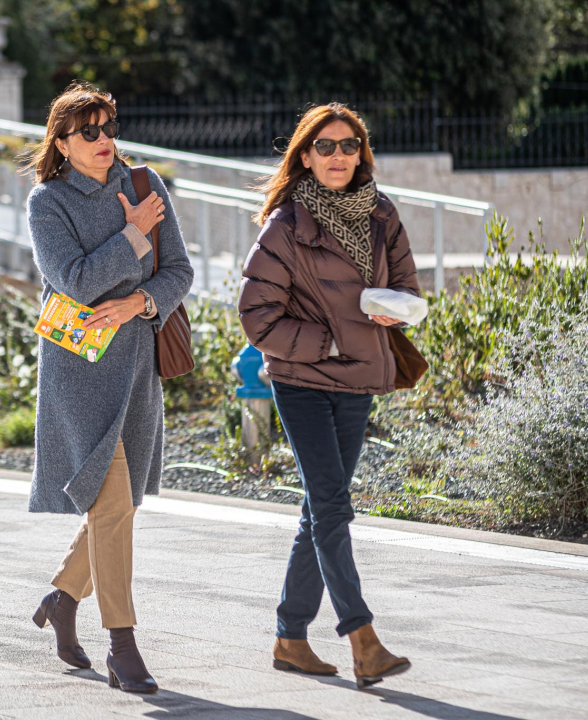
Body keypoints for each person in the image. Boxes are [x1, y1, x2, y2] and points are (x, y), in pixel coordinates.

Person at [237, 103, 418, 688]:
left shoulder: (382, 214)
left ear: (361, 153)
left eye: (348, 146)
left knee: (319, 509)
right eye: (325, 146)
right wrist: (327, 341)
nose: (337, 156)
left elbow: (407, 285)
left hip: (362, 377)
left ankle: (290, 638)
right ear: (306, 156)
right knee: (334, 507)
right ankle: (363, 639)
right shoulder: (286, 225)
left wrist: (397, 310)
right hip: (303, 381)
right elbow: (257, 316)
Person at [24, 83, 194, 694]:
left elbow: (180, 272)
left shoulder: (145, 186)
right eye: (88, 133)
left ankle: (63, 598)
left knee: (115, 504)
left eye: (108, 128)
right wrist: (133, 237)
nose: (104, 142)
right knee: (112, 502)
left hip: (138, 362)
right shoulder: (48, 202)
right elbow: (70, 281)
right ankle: (123, 645)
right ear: (62, 143)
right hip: (79, 369)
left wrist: (138, 304)